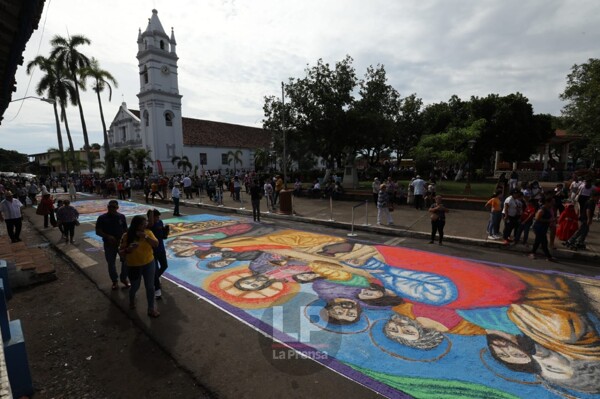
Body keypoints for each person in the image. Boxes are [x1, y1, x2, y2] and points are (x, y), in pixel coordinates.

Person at [119, 215, 160, 317]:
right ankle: (132, 299)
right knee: (135, 286)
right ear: (136, 225)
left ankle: (151, 309)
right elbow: (121, 252)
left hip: (149, 263)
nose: (145, 225)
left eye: (145, 223)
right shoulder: (126, 236)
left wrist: (145, 237)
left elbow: (156, 244)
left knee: (150, 287)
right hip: (134, 265)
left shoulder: (148, 233)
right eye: (142, 224)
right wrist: (129, 250)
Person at [95, 200, 130, 289]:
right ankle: (114, 281)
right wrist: (107, 236)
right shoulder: (102, 218)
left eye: (113, 207)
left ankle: (123, 278)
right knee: (111, 263)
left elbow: (125, 229)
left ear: (117, 208)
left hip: (121, 243)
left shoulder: (121, 217)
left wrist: (127, 240)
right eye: (110, 207)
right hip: (109, 244)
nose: (111, 209)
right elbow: (98, 231)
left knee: (126, 262)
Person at [147, 210, 168, 300]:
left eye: (158, 217)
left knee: (164, 266)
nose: (158, 219)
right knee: (155, 270)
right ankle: (157, 289)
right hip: (152, 251)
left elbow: (163, 236)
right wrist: (151, 212)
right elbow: (151, 224)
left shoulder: (160, 222)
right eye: (156, 217)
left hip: (161, 249)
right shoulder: (148, 225)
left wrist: (166, 232)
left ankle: (155, 278)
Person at [528, 196, 554, 261]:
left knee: (538, 241)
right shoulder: (542, 209)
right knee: (544, 242)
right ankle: (548, 256)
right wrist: (548, 220)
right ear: (547, 202)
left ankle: (533, 253)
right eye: (551, 202)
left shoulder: (548, 209)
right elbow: (537, 218)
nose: (552, 204)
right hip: (539, 228)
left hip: (543, 228)